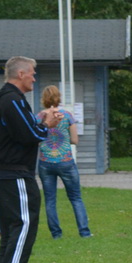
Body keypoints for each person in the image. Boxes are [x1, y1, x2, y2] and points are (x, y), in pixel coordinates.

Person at [0, 56, 56, 263]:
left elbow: (23, 130)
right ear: (21, 74)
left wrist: (41, 122)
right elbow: (30, 135)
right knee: (24, 223)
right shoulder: (13, 100)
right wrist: (47, 125)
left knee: (11, 226)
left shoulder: (9, 100)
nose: (34, 79)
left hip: (6, 172)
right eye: (32, 74)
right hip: (15, 172)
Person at [37, 85, 91, 239]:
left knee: (50, 200)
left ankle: (56, 234)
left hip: (45, 162)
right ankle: (84, 232)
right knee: (76, 198)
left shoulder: (39, 117)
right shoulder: (67, 116)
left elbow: (36, 139)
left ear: (44, 99)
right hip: (66, 161)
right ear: (58, 97)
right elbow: (75, 140)